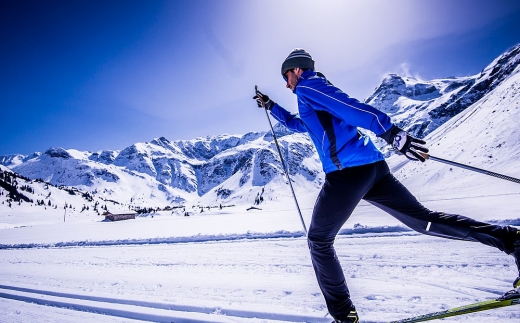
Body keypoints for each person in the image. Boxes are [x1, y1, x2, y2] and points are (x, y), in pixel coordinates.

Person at [253, 48, 520, 323]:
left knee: (319, 240)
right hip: (374, 169)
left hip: (348, 173)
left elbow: (350, 107)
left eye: (286, 76)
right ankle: (513, 240)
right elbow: (301, 125)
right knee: (423, 220)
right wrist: (271, 106)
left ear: (297, 69)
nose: (287, 84)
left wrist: (389, 131)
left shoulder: (308, 86)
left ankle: (344, 316)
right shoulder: (313, 94)